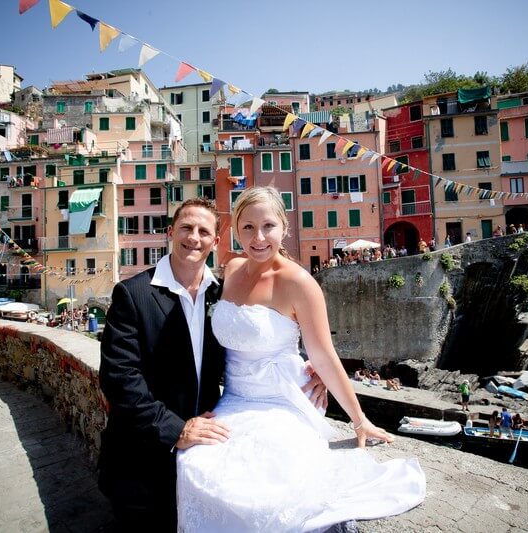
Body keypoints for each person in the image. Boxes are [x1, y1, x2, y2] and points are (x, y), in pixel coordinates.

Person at [176, 187, 425, 531]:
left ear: (283, 227)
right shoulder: (230, 269)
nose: (258, 237)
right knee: (197, 462)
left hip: (282, 402)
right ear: (234, 230)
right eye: (247, 227)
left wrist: (359, 419)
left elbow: (324, 356)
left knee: (267, 485)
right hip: (233, 401)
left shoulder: (299, 283)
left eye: (268, 226)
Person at [98, 197, 329, 530]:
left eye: (203, 231)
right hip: (142, 462)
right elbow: (119, 378)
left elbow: (247, 347)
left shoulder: (221, 294)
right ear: (170, 232)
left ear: (216, 241)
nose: (194, 237)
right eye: (186, 228)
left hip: (207, 454)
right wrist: (175, 429)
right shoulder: (132, 294)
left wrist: (310, 367)